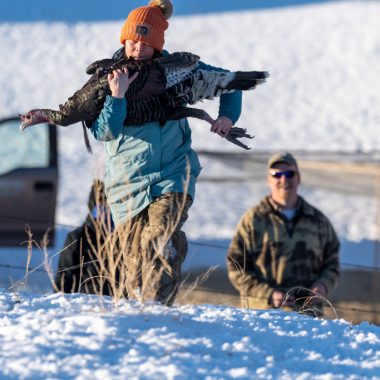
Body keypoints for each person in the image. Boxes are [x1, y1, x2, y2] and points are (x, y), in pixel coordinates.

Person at [89, 0, 242, 305]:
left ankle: (159, 311)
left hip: (173, 174)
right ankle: (144, 313)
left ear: (158, 44)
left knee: (160, 237)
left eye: (145, 43)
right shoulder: (109, 77)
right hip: (127, 186)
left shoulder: (181, 70)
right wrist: (117, 97)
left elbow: (231, 82)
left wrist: (227, 117)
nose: (137, 49)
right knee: (136, 264)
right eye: (132, 41)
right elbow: (103, 133)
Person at [227, 152, 340, 316]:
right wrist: (268, 294)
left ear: (298, 178)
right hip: (262, 316)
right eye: (277, 174)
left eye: (289, 174)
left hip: (308, 318)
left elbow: (332, 263)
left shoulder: (318, 221)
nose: (284, 179)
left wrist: (323, 286)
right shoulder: (253, 220)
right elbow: (235, 266)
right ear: (269, 180)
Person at [54, 180, 116, 295]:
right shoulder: (78, 237)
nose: (105, 213)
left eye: (108, 208)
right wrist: (60, 301)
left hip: (122, 301)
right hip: (87, 300)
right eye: (100, 209)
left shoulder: (124, 237)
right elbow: (65, 275)